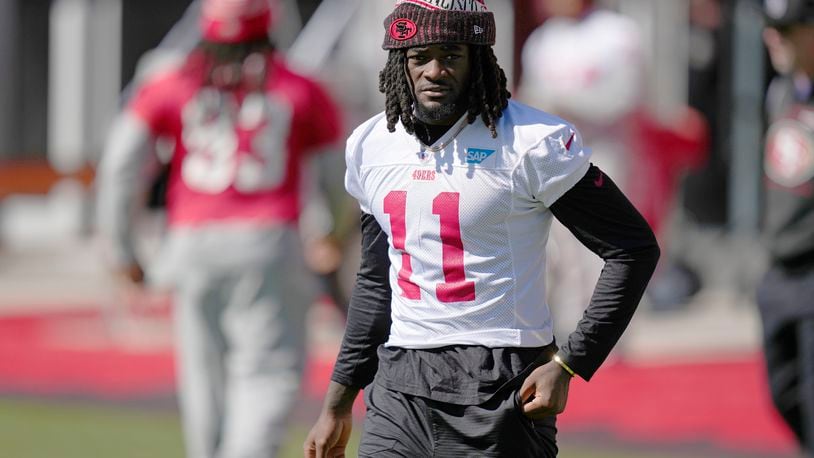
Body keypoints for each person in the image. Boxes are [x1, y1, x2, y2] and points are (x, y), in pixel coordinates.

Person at [304, 1, 660, 457]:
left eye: (451, 54)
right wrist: (337, 401)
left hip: (499, 378)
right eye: (420, 56)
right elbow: (376, 283)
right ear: (400, 61)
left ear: (478, 58)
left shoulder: (532, 142)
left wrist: (571, 363)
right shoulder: (372, 145)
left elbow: (632, 248)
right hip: (399, 382)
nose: (435, 70)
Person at [96, 0, 343, 457]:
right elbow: (338, 175)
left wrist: (123, 251)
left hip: (191, 245)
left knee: (203, 385)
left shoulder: (170, 82)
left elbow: (119, 165)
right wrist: (331, 233)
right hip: (269, 241)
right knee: (265, 378)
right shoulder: (301, 87)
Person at [758, 0, 814, 454]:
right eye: (770, 28)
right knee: (784, 391)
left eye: (787, 29)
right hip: (780, 269)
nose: (774, 38)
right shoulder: (780, 92)